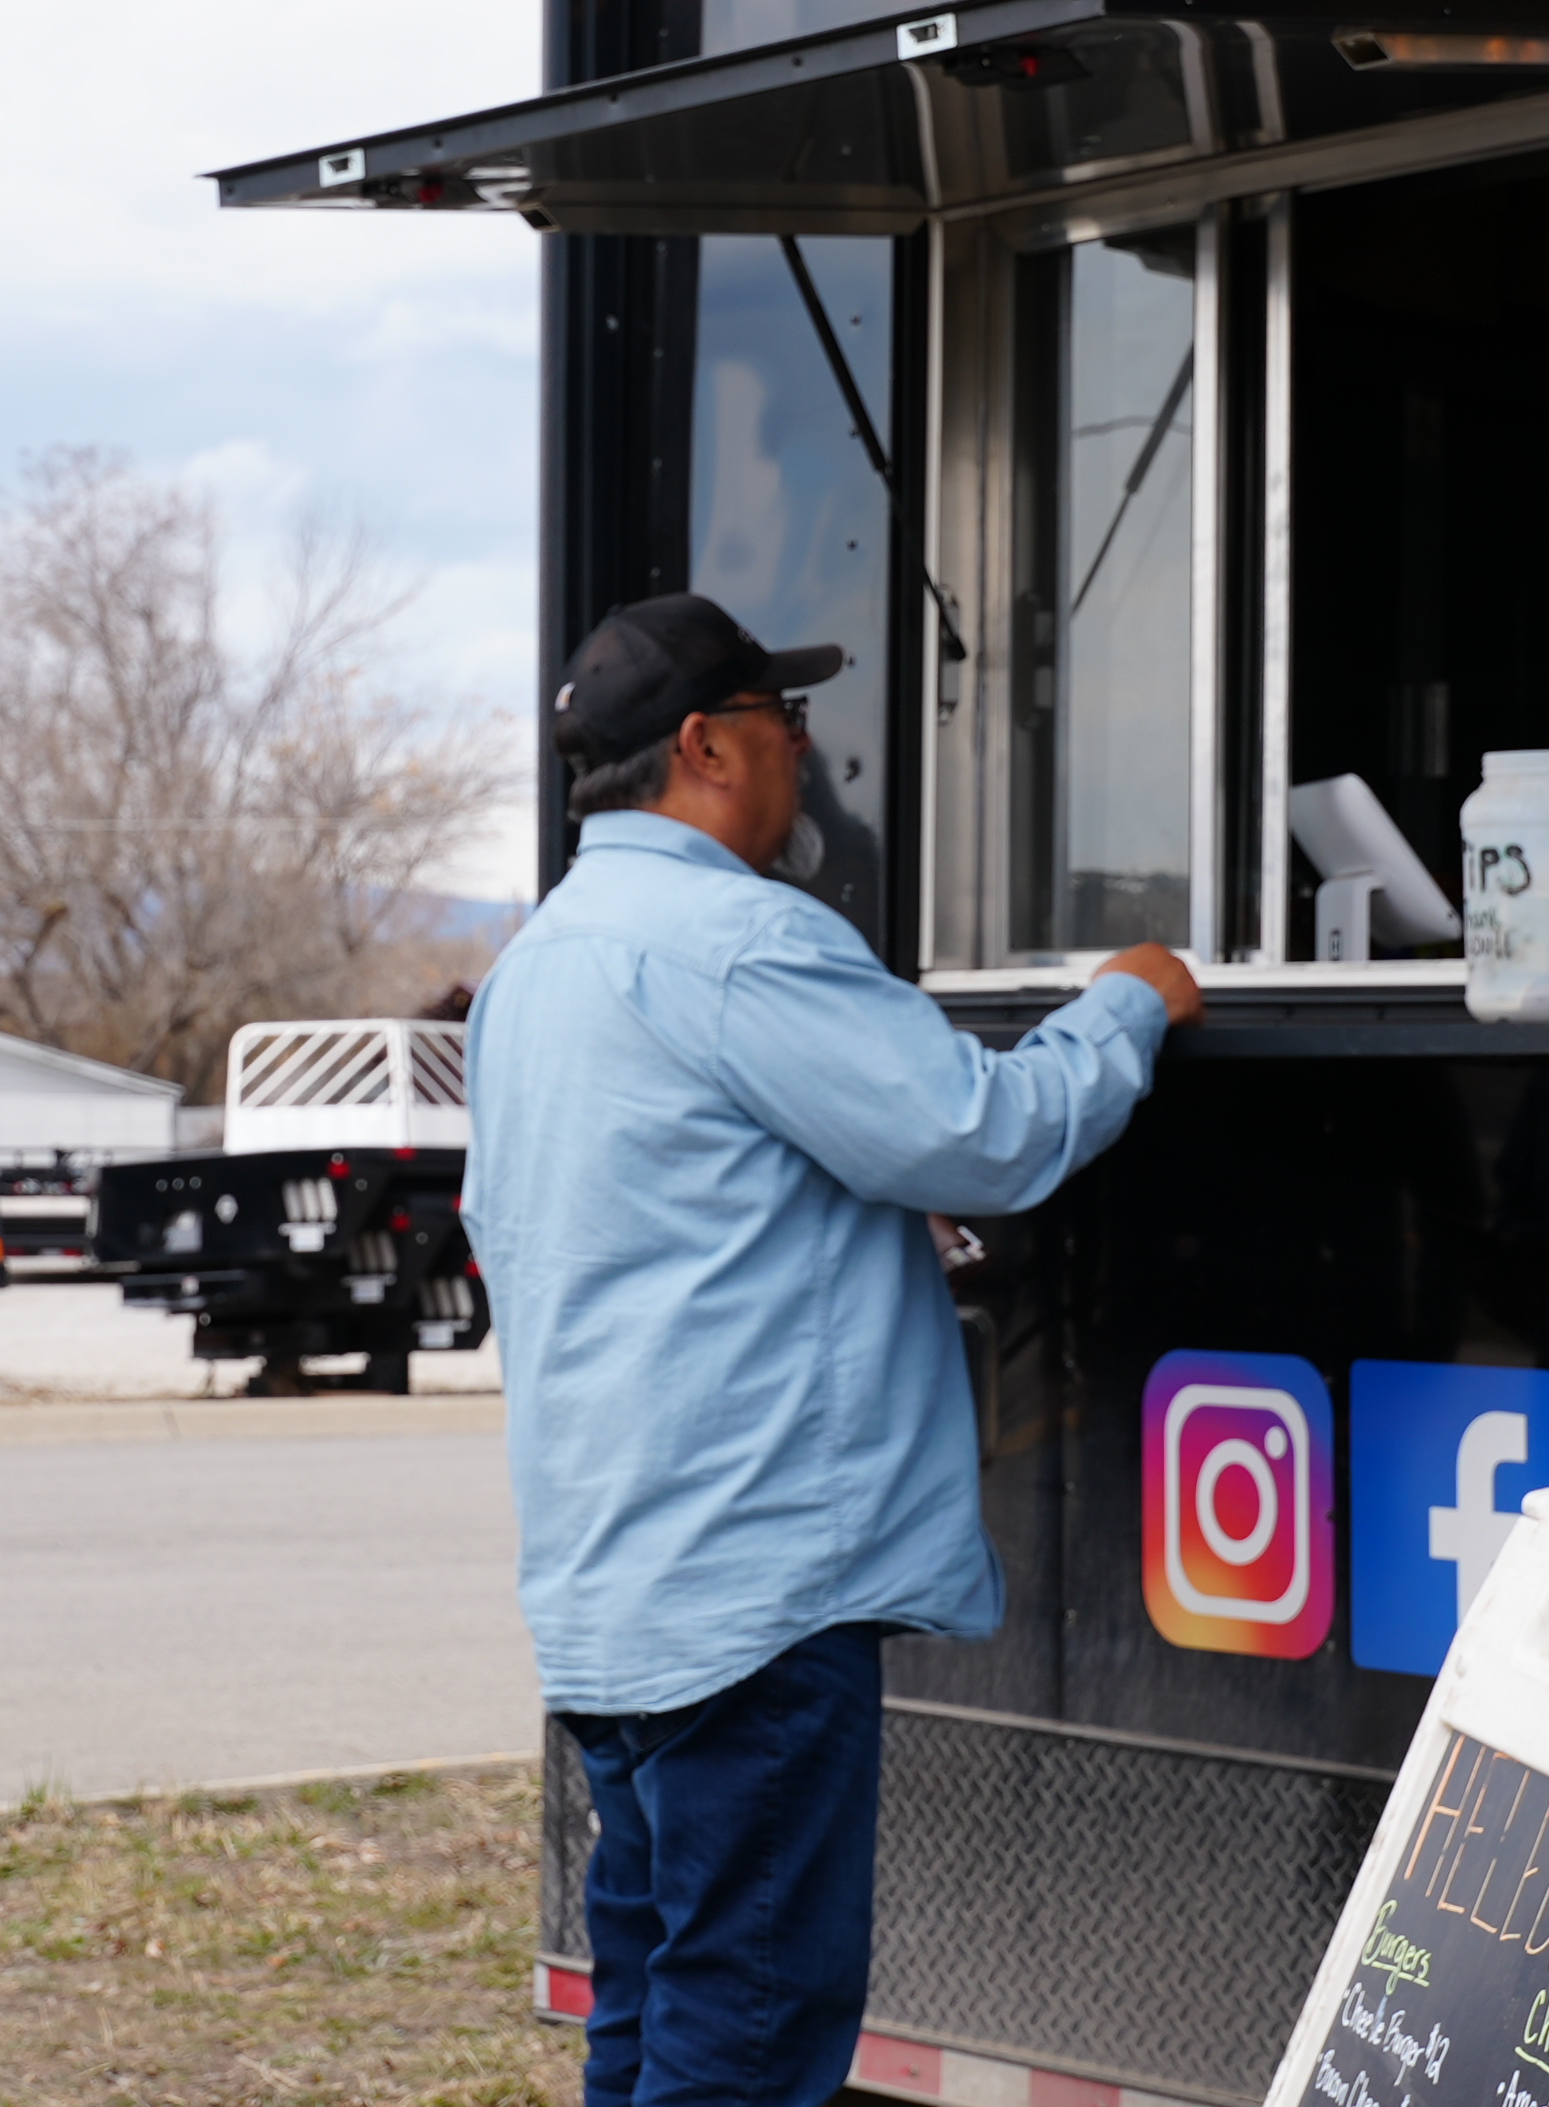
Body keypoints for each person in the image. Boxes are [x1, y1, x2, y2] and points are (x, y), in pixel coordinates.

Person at [465, 592, 1205, 2107]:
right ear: (703, 746)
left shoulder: (537, 968)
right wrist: (1130, 1004)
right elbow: (988, 1133)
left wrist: (847, 1243)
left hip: (615, 1590)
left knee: (652, 2003)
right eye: (784, 719)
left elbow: (592, 1230)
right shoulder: (736, 941)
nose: (808, 750)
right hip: (754, 1599)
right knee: (746, 2029)